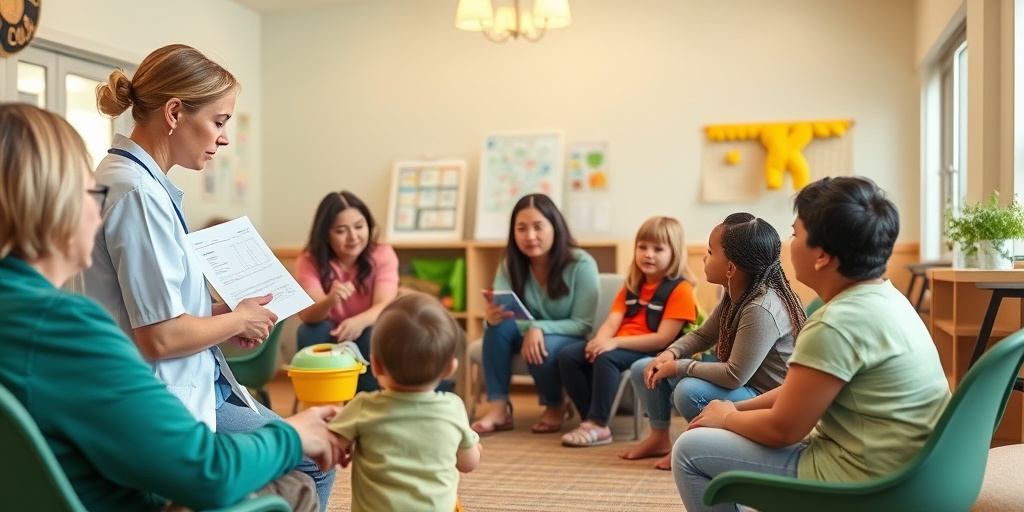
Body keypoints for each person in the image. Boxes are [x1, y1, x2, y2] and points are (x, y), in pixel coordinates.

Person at [0, 102, 342, 512]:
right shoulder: (65, 326)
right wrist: (294, 433)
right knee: (298, 485)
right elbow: (205, 472)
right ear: (50, 206)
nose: (97, 209)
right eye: (89, 192)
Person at [78, 44, 335, 509]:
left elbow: (149, 310)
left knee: (306, 449)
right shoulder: (136, 194)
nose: (224, 138)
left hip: (182, 383)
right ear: (175, 112)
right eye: (218, 121)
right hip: (161, 401)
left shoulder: (131, 181)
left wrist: (222, 313)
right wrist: (236, 321)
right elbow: (158, 336)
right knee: (314, 456)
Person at [673, 177, 951, 512]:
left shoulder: (835, 323)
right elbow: (799, 389)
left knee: (689, 450)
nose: (788, 245)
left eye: (795, 233)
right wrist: (733, 409)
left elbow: (783, 430)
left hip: (870, 482)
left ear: (821, 255)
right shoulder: (887, 298)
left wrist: (728, 418)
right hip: (916, 472)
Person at [623, 212, 806, 470]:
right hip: (743, 382)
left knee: (688, 391)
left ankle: (702, 445)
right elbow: (703, 335)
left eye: (710, 252)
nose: (705, 259)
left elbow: (734, 375)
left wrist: (679, 367)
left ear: (730, 268)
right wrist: (671, 353)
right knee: (645, 366)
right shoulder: (737, 291)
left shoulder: (761, 308)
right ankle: (660, 438)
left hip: (763, 396)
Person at [327, 293, 481, 512]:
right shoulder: (453, 408)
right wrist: (473, 446)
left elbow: (330, 449)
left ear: (376, 365)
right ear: (450, 369)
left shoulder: (363, 406)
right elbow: (468, 463)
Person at [557, 216, 698, 447]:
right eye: (642, 247)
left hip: (650, 349)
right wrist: (599, 341)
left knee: (607, 358)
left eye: (658, 248)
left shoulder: (680, 289)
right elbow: (612, 322)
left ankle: (599, 424)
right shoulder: (633, 284)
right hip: (619, 344)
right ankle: (590, 419)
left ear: (675, 253)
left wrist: (613, 344)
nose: (648, 254)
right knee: (568, 355)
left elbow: (663, 338)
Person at [471, 193, 601, 435]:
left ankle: (555, 405)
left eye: (538, 227)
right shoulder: (510, 262)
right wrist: (492, 317)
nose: (530, 236)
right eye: (521, 228)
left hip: (567, 335)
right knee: (498, 327)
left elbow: (582, 324)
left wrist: (539, 327)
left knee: (544, 346)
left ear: (555, 227)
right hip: (525, 332)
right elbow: (505, 316)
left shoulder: (581, 265)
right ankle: (499, 409)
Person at [295, 190, 399, 393]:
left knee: (372, 333)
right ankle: (321, 402)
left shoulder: (383, 254)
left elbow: (385, 305)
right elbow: (307, 315)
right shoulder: (309, 260)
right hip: (331, 332)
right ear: (326, 235)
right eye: (341, 231)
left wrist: (359, 322)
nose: (353, 237)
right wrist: (330, 300)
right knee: (309, 331)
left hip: (368, 328)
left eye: (359, 227)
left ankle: (367, 402)